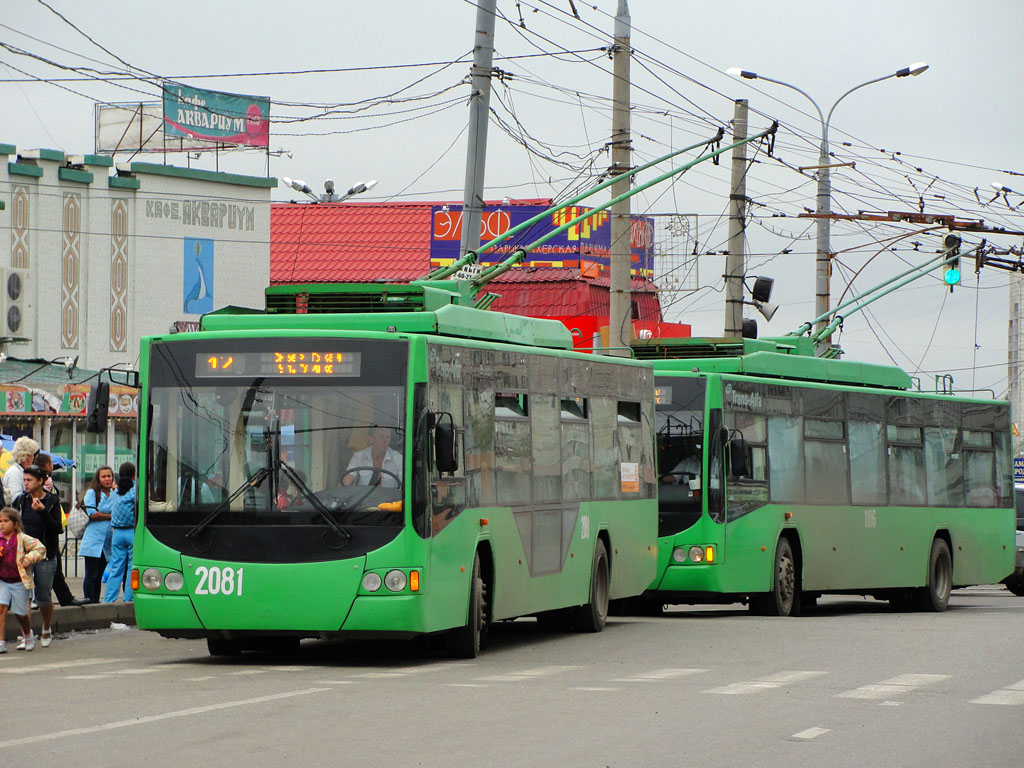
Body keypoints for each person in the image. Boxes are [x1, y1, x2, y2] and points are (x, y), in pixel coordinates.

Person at [13, 465, 62, 647]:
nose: (26, 484)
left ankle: (46, 628)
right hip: (24, 555)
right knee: (22, 594)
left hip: (45, 555)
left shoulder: (52, 501)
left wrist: (42, 511)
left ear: (40, 481)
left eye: (30, 480)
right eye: (24, 480)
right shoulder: (20, 501)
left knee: (43, 595)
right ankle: (26, 634)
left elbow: (58, 528)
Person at [34, 452, 85, 607]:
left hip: (52, 531)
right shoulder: (31, 493)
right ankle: (49, 599)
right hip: (42, 536)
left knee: (56, 569)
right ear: (48, 465)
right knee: (49, 570)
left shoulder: (49, 486)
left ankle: (65, 598)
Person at [0, 507, 47, 653]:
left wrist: (28, 559)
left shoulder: (22, 538)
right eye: (0, 521)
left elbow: (40, 549)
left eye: (6, 521)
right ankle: (1, 642)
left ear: (15, 524)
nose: (2, 524)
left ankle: (27, 635)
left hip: (19, 581)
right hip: (3, 580)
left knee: (21, 614)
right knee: (1, 609)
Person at [80, 466, 115, 604]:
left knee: (99, 574)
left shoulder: (113, 493)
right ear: (98, 479)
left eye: (109, 476)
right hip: (94, 540)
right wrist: (111, 516)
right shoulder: (92, 493)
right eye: (104, 477)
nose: (107, 479)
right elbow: (93, 514)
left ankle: (96, 602)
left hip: (107, 543)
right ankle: (89, 601)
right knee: (91, 574)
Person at [103, 462, 136, 604]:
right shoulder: (135, 490)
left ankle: (108, 600)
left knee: (116, 567)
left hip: (117, 534)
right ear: (134, 475)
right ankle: (129, 599)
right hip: (132, 532)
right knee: (131, 567)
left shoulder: (114, 493)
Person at [3, 436, 39, 507]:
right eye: (32, 455)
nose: (33, 457)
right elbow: (15, 499)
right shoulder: (14, 473)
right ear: (27, 456)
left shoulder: (21, 471)